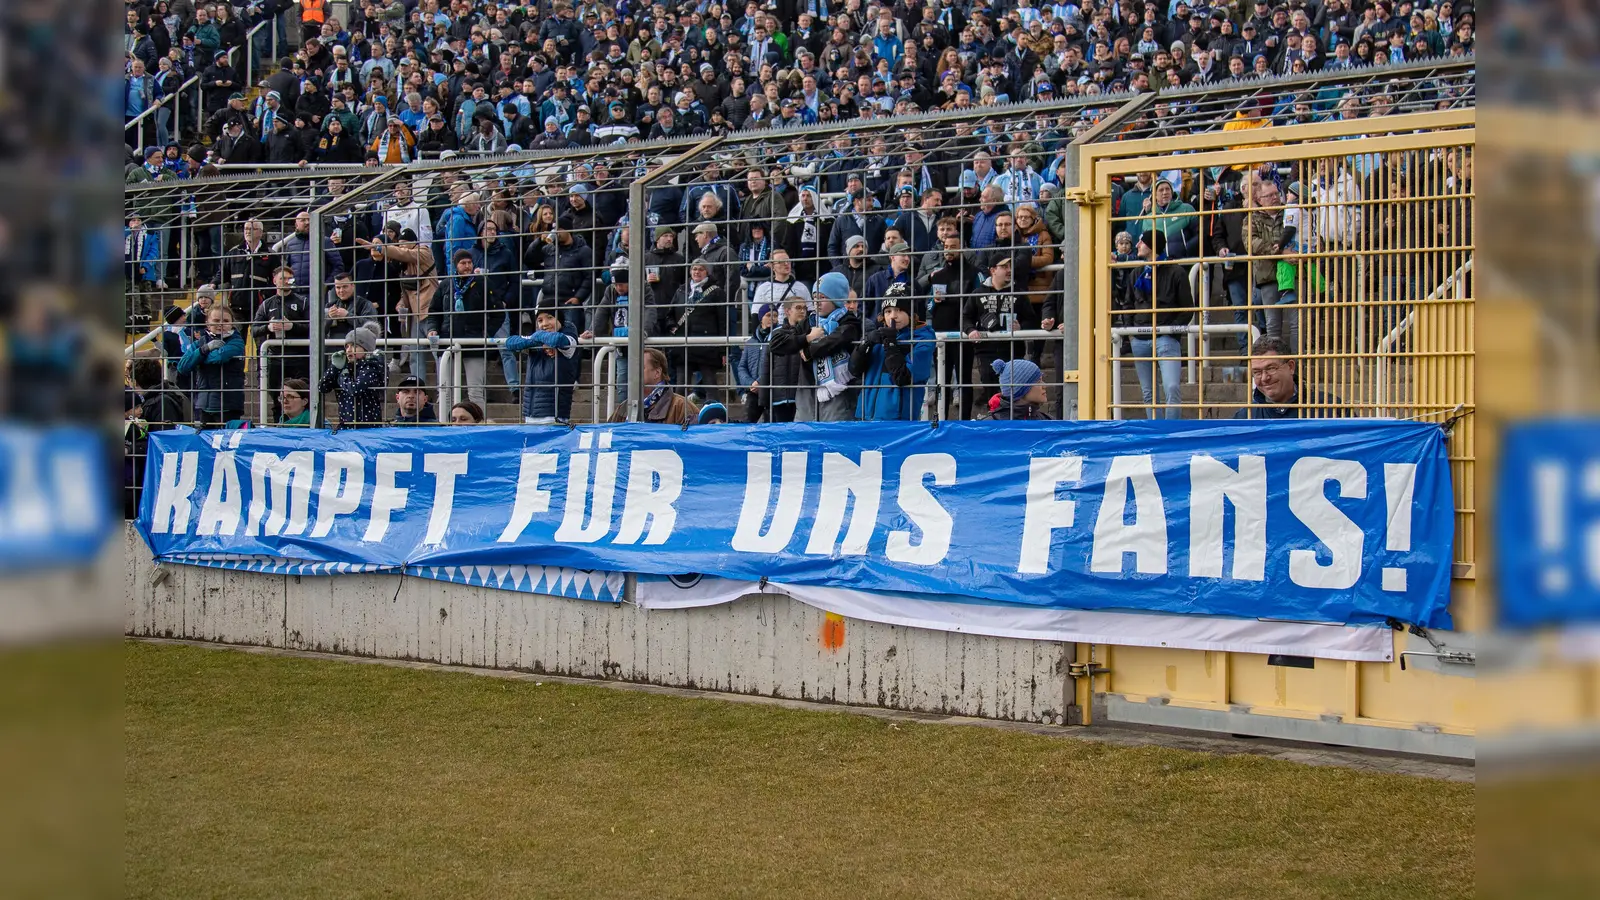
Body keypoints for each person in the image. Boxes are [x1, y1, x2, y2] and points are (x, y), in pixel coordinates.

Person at [1122, 229, 1194, 421]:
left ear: (1152, 246)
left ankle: (1170, 430)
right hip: (1140, 338)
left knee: (1172, 387)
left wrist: (1171, 331)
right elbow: (1127, 304)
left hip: (1166, 338)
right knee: (1148, 393)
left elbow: (1188, 308)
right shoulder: (1136, 272)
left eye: (1141, 242)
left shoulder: (1176, 272)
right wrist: (1131, 332)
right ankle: (1156, 429)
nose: (1137, 245)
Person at [850, 283, 934, 421]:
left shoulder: (923, 339)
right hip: (865, 416)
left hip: (898, 420)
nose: (893, 316)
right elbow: (854, 370)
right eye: (888, 311)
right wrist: (866, 343)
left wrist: (890, 344)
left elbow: (903, 377)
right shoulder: (879, 335)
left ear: (912, 314)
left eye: (899, 310)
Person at [250, 266, 312, 420]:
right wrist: (268, 327)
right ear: (274, 281)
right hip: (276, 358)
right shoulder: (266, 304)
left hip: (300, 358)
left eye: (289, 279)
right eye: (282, 278)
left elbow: (315, 327)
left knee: (304, 397)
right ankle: (280, 425)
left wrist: (293, 326)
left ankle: (305, 425)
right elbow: (254, 330)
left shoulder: (303, 302)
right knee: (278, 398)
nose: (286, 282)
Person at [505, 306, 580, 425]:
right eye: (540, 320)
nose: (545, 324)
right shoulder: (537, 339)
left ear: (560, 320)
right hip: (530, 414)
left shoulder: (568, 338)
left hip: (554, 415)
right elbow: (510, 342)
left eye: (549, 318)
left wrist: (537, 336)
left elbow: (558, 340)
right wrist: (539, 339)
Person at [176, 304, 246, 426]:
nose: (221, 324)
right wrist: (204, 349)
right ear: (207, 323)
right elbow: (182, 366)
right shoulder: (200, 343)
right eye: (216, 320)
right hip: (204, 404)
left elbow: (219, 357)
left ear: (232, 323)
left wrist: (198, 358)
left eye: (225, 321)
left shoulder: (237, 341)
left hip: (229, 404)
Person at [1234, 336, 1338, 418]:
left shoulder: (1329, 407)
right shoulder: (1245, 417)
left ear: (1291, 367)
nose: (1264, 378)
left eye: (1271, 368)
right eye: (1257, 372)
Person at [319, 322, 387, 428]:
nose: (348, 350)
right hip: (346, 426)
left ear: (366, 349)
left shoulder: (372, 366)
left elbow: (355, 389)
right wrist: (335, 367)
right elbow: (322, 387)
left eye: (354, 346)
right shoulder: (345, 366)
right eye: (347, 346)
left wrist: (343, 375)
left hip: (368, 428)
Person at [608, 348, 697, 426]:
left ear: (657, 373)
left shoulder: (682, 407)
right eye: (632, 367)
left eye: (640, 367)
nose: (632, 372)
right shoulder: (624, 406)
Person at [980, 359, 1052, 420]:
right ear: (1019, 389)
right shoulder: (990, 427)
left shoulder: (1048, 421)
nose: (1044, 386)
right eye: (1038, 382)